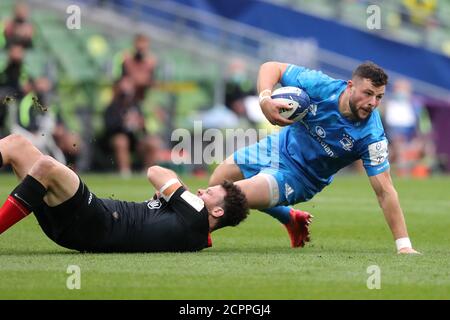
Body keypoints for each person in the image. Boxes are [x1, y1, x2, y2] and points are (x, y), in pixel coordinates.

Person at [209, 60, 420, 254]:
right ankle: (290, 217)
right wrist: (265, 99)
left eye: (379, 97)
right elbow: (271, 67)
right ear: (350, 86)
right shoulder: (321, 86)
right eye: (367, 93)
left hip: (300, 177)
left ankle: (195, 234)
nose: (372, 102)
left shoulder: (372, 136)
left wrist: (404, 246)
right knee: (218, 180)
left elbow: (385, 191)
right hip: (277, 146)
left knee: (227, 196)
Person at [0, 134, 249, 253]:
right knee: (16, 145)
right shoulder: (192, 225)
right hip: (84, 225)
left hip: (96, 221)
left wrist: (174, 189)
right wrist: (170, 195)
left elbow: (155, 172)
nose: (201, 190)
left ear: (217, 211)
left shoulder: (196, 214)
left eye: (209, 193)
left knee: (47, 167)